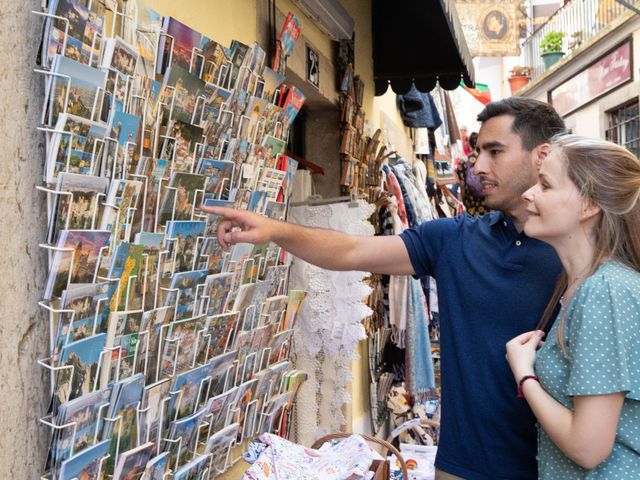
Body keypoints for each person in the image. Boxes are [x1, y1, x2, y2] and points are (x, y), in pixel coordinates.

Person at [201, 97, 566, 479]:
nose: (478, 167)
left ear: (541, 156)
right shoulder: (456, 240)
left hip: (558, 469)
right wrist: (275, 229)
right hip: (462, 467)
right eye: (478, 152)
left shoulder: (583, 254)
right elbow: (352, 249)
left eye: (495, 152)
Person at [506, 135, 640, 479]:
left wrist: (525, 375)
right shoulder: (585, 285)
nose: (528, 193)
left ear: (588, 206)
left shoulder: (604, 291)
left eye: (545, 185)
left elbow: (588, 447)